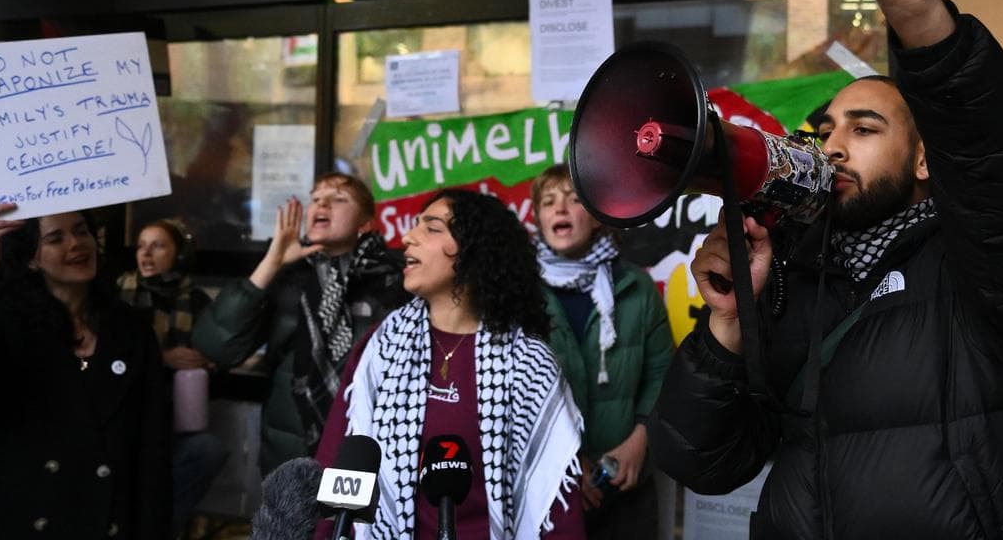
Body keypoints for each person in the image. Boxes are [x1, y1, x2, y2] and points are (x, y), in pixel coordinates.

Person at [648, 0, 1003, 540]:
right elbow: (704, 460)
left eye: (866, 126)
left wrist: (918, 15)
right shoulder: (792, 279)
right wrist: (727, 323)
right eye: (825, 128)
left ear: (924, 160)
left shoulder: (980, 271)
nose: (834, 144)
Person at [314, 189, 585, 539]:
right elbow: (337, 457)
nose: (408, 238)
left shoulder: (528, 363)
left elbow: (555, 501)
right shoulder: (382, 345)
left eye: (431, 228)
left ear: (474, 250)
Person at [0, 193, 170, 539]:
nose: (76, 244)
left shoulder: (131, 329)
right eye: (55, 238)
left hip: (106, 519)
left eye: (81, 231)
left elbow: (152, 448)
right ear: (32, 259)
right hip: (20, 519)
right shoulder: (6, 326)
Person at [192, 172, 407, 474]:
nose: (322, 204)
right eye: (316, 198)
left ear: (366, 223)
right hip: (291, 453)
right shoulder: (288, 275)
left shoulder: (395, 280)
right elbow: (215, 347)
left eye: (338, 199)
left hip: (365, 445)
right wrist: (272, 262)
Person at [530, 164, 673, 538]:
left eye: (574, 199)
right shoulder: (519, 293)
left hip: (626, 483)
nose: (560, 208)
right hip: (545, 486)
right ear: (539, 219)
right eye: (549, 202)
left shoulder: (636, 287)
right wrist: (562, 464)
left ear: (596, 217)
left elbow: (662, 373)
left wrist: (640, 439)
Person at [117, 219, 227, 538]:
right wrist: (163, 358)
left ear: (179, 255)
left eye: (158, 246)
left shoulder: (197, 300)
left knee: (208, 450)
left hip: (173, 417)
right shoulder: (118, 295)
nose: (146, 254)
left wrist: (208, 360)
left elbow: (221, 350)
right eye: (141, 246)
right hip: (125, 414)